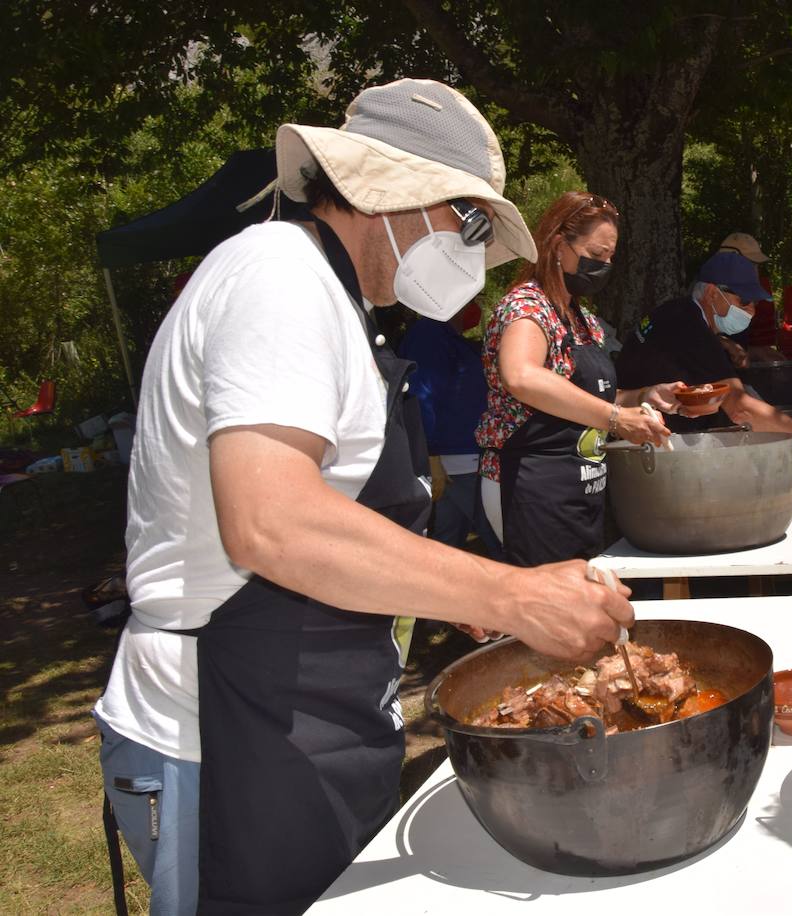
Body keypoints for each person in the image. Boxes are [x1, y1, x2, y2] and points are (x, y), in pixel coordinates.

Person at [93, 79, 635, 915]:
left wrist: (446, 590)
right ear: (393, 193)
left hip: (307, 710)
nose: (474, 254)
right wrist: (508, 593)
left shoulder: (333, 299)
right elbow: (271, 522)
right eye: (470, 222)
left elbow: (338, 509)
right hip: (220, 729)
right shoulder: (278, 277)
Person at [476, 191, 681, 567]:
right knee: (542, 601)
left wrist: (643, 397)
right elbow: (522, 376)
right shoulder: (527, 307)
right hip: (530, 487)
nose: (605, 266)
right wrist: (616, 419)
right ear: (558, 246)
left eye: (610, 257)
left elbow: (589, 398)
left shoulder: (583, 320)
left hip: (581, 490)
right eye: (597, 254)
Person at [616, 251, 792, 471]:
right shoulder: (691, 330)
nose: (752, 311)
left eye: (755, 303)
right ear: (713, 293)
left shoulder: (677, 312)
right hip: (639, 449)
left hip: (635, 434)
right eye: (744, 301)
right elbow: (740, 409)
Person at [396, 305, 499, 554]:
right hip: (456, 460)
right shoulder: (430, 334)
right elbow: (421, 395)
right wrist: (430, 456)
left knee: (447, 543)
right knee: (499, 539)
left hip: (460, 457)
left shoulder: (447, 337)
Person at [717, 231, 784, 365]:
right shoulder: (710, 291)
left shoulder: (744, 292)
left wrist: (759, 352)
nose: (755, 270)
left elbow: (738, 347)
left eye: (756, 265)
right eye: (750, 264)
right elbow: (696, 337)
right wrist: (725, 344)